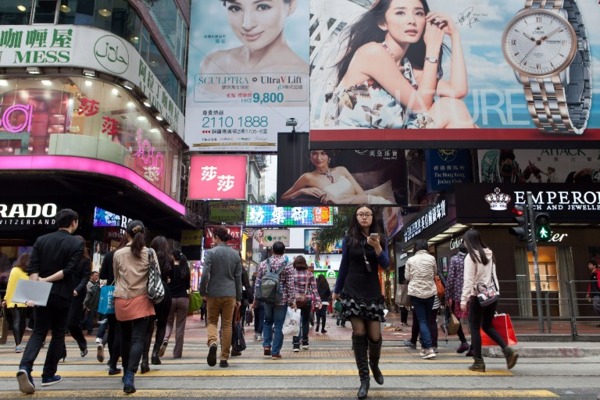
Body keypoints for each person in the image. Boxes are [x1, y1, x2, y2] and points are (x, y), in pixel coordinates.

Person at [325, 0, 475, 130]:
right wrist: (433, 49)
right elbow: (421, 106)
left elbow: (457, 91)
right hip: (352, 147)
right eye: (400, 13)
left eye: (418, 13)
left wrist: (454, 35)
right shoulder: (372, 52)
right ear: (382, 23)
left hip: (389, 145)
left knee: (455, 108)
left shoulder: (408, 69)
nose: (412, 20)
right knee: (453, 109)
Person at [16, 208, 84, 395]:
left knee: (38, 332)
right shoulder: (76, 244)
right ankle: (48, 375)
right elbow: (68, 270)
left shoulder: (41, 240)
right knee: (58, 333)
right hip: (62, 294)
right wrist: (46, 281)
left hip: (40, 293)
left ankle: (25, 367)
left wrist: (37, 286)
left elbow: (33, 268)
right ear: (74, 222)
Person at [332, 205, 390, 400]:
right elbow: (344, 265)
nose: (364, 217)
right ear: (356, 218)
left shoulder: (381, 238)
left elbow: (386, 264)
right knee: (359, 332)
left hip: (372, 290)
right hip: (352, 288)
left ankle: (374, 363)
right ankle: (364, 380)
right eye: (360, 214)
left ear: (373, 218)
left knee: (374, 335)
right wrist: (337, 290)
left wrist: (377, 247)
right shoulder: (349, 239)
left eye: (367, 214)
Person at [460, 229, 518, 373]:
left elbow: (468, 280)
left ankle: (478, 362)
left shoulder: (471, 257)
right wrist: (496, 293)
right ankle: (507, 350)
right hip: (492, 296)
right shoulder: (489, 254)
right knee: (487, 326)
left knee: (474, 328)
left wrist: (464, 299)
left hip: (477, 297)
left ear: (469, 242)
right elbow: (494, 276)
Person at [200, 0, 307, 76]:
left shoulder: (303, 77)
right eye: (235, 8)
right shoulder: (212, 63)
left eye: (262, 7)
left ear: (291, 6)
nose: (247, 25)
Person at [113, 220, 157, 394]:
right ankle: (130, 375)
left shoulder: (118, 254)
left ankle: (125, 372)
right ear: (143, 234)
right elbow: (156, 275)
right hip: (142, 298)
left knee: (125, 338)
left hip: (122, 299)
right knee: (138, 339)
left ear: (127, 233)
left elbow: (117, 277)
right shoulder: (149, 253)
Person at [280, 150, 394, 205]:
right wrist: (301, 191)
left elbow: (362, 194)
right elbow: (282, 198)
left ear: (329, 156)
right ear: (310, 157)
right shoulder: (307, 177)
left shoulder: (341, 169)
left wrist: (339, 202)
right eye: (314, 153)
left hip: (365, 204)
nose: (318, 157)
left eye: (323, 153)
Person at [199, 227, 242, 368]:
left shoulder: (211, 253)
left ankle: (212, 342)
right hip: (230, 294)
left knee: (211, 321)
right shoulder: (236, 254)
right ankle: (224, 358)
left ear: (217, 237)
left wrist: (203, 290)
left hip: (213, 293)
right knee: (227, 325)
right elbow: (238, 278)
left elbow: (205, 274)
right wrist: (238, 297)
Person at [253, 241, 295, 360]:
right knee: (278, 325)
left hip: (267, 298)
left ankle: (266, 345)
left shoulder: (263, 264)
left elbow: (258, 283)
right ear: (284, 251)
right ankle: (275, 352)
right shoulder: (288, 265)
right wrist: (292, 300)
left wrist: (256, 299)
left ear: (272, 250)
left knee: (267, 321)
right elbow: (290, 285)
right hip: (281, 299)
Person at [141, 236, 173, 371]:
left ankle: (144, 360)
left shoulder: (147, 256)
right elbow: (172, 277)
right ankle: (155, 353)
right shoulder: (169, 259)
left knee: (148, 327)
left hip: (150, 292)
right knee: (162, 324)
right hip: (164, 293)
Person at [99, 236, 129, 376]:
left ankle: (113, 363)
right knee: (123, 331)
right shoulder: (131, 254)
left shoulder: (111, 254)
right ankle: (122, 361)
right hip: (128, 294)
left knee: (112, 330)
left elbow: (102, 275)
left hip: (112, 295)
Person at [405, 238, 437, 360]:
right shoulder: (432, 259)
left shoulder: (410, 260)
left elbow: (407, 276)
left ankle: (428, 348)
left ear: (416, 248)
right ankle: (425, 347)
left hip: (416, 293)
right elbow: (435, 273)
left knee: (422, 320)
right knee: (426, 320)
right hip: (430, 292)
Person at [66, 235, 91, 359]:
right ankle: (60, 352)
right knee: (60, 323)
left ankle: (82, 343)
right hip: (64, 291)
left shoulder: (85, 260)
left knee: (71, 323)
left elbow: (86, 277)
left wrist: (77, 289)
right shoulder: (66, 257)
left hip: (77, 294)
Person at [163, 250, 191, 359]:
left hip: (170, 299)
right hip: (183, 299)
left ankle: (165, 339)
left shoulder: (168, 268)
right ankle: (177, 353)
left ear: (172, 257)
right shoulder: (185, 268)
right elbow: (188, 286)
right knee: (180, 326)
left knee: (168, 323)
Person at [291, 256, 321, 351]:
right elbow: (315, 290)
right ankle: (305, 342)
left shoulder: (291, 274)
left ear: (295, 263)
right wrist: (318, 301)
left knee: (295, 321)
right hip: (306, 300)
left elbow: (289, 288)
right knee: (305, 321)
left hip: (294, 301)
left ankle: (296, 344)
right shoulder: (309, 274)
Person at [446, 242, 471, 354]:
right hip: (472, 293)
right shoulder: (473, 258)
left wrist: (448, 295)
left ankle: (464, 341)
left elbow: (451, 278)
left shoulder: (455, 260)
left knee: (456, 318)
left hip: (458, 293)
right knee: (473, 319)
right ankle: (474, 346)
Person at [3, 253, 30, 353]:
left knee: (16, 320)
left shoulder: (15, 270)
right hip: (25, 299)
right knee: (22, 321)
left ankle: (17, 344)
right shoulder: (29, 272)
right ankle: (19, 342)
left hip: (14, 298)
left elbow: (10, 285)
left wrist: (5, 299)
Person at [251, 271, 264, 342]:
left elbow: (253, 292)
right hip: (262, 301)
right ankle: (259, 334)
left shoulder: (255, 283)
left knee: (256, 318)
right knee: (261, 318)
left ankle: (256, 332)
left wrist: (253, 301)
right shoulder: (264, 281)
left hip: (256, 302)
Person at [586, 259, 600, 325]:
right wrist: (588, 293)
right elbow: (590, 284)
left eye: (590, 264)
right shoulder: (592, 274)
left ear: (594, 266)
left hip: (598, 292)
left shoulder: (598, 272)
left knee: (596, 306)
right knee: (595, 306)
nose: (588, 266)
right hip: (595, 293)